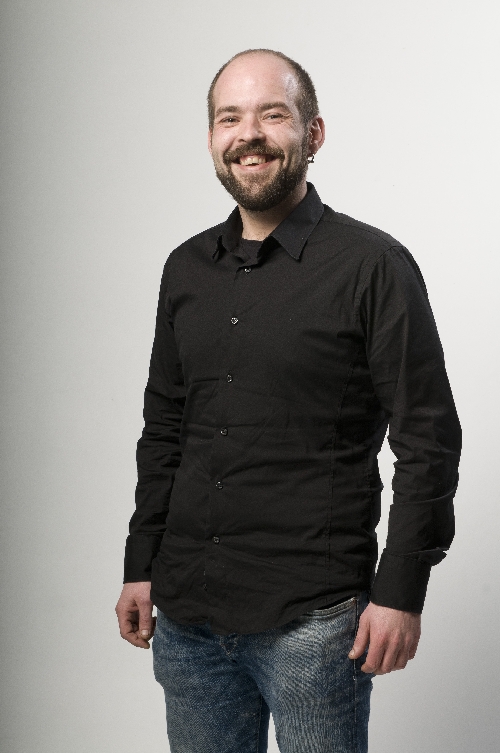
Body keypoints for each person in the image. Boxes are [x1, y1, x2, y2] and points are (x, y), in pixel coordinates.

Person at [115, 48, 461, 753]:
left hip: (313, 623)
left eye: (273, 114)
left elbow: (427, 437)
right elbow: (166, 427)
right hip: (188, 618)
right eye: (229, 118)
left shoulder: (372, 265)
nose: (249, 134)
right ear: (212, 137)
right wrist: (140, 563)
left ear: (313, 133)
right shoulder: (185, 268)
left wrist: (400, 590)